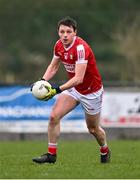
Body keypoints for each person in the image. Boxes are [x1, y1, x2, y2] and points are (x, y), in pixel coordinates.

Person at [32, 16, 111, 164]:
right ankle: (51, 155)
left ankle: (105, 149)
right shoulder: (58, 45)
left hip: (91, 91)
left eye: (69, 31)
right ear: (58, 32)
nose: (65, 35)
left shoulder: (81, 48)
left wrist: (56, 90)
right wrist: (42, 82)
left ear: (75, 32)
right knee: (53, 117)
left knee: (93, 129)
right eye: (62, 31)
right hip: (74, 89)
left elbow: (79, 78)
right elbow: (54, 66)